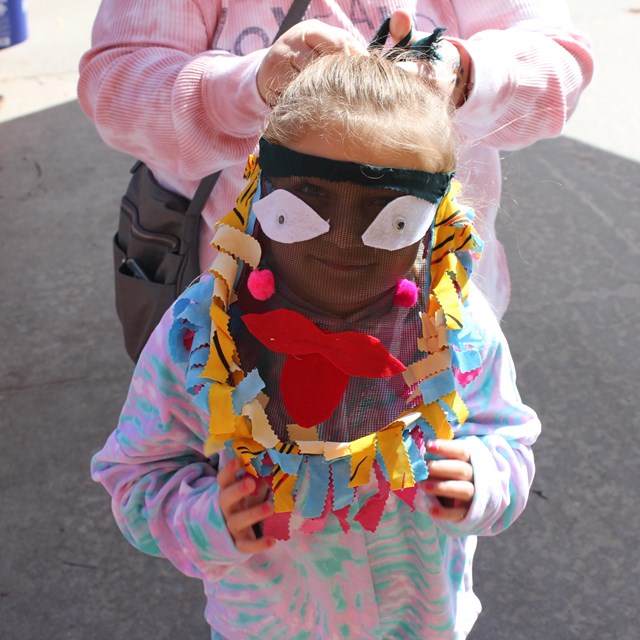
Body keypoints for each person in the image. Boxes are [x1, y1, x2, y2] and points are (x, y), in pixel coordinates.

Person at [91, 51, 541, 639]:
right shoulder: (199, 334)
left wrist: (484, 478)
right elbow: (137, 473)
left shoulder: (453, 325)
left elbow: (506, 438)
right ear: (262, 188)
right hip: (269, 624)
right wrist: (206, 519)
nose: (346, 243)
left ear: (438, 216)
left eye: (391, 219)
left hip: (421, 619)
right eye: (309, 203)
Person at [78, 1, 594, 319]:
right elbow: (116, 85)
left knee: (422, 471)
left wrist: (464, 74)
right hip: (234, 311)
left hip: (436, 307)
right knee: (247, 485)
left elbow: (558, 67)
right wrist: (248, 87)